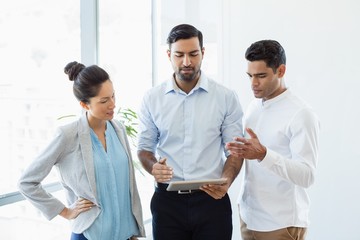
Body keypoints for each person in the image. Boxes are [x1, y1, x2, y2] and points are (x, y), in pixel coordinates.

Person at [137, 23, 244, 240]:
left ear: (203, 53)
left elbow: (234, 150)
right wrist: (153, 167)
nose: (187, 62)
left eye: (193, 54)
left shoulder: (225, 97)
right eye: (179, 55)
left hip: (212, 200)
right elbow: (144, 149)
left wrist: (226, 182)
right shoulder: (152, 98)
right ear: (169, 55)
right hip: (167, 203)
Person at [18, 61, 145, 240]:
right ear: (85, 105)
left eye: (113, 96)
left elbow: (125, 187)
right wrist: (65, 211)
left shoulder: (119, 129)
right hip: (90, 234)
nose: (113, 105)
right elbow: (27, 182)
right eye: (104, 101)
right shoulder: (67, 135)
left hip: (125, 235)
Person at [226, 40, 320, 240]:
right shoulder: (253, 107)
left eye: (261, 76)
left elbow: (307, 176)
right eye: (250, 76)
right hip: (248, 218)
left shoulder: (301, 114)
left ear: (281, 71)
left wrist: (264, 154)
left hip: (281, 224)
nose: (253, 83)